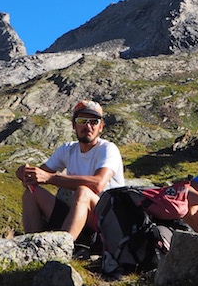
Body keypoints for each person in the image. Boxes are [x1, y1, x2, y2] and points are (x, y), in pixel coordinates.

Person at [17, 100, 125, 246]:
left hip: (106, 223)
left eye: (94, 122)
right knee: (31, 192)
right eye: (82, 121)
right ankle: (32, 247)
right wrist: (26, 174)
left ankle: (62, 248)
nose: (88, 126)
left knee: (83, 192)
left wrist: (50, 178)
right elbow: (39, 174)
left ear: (101, 127)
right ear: (74, 125)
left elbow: (98, 184)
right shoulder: (67, 149)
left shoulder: (108, 149)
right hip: (77, 217)